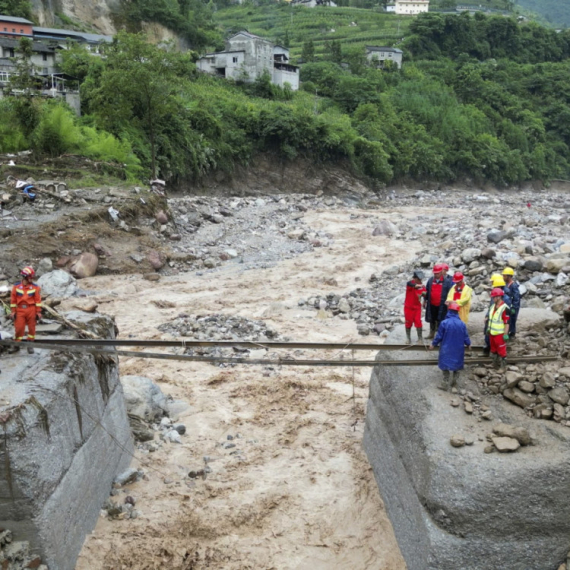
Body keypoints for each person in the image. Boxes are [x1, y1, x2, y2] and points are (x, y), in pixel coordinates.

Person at [429, 301, 471, 391]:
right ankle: (454, 385)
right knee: (457, 366)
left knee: (445, 365)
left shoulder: (444, 323)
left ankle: (445, 384)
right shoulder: (462, 324)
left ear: (449, 311)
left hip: (446, 348)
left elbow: (439, 336)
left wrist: (433, 344)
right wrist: (468, 344)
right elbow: (465, 336)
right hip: (458, 349)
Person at [9, 266, 42, 354]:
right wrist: (13, 311)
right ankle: (16, 345)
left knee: (32, 329)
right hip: (20, 310)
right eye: (30, 276)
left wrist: (38, 312)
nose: (32, 278)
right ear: (25, 277)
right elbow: (13, 300)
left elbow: (38, 300)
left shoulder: (35, 287)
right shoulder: (16, 287)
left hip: (31, 309)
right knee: (19, 328)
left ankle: (30, 344)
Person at [483, 274, 512, 356]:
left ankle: (500, 362)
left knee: (500, 348)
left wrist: (506, 333)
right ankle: (491, 355)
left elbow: (506, 318)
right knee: (492, 344)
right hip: (492, 326)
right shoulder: (495, 298)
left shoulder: (505, 299)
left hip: (499, 330)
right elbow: (491, 308)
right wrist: (487, 316)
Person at [487, 288, 510, 370]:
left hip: (500, 334)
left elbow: (506, 322)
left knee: (502, 351)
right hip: (492, 333)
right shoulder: (493, 306)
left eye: (494, 297)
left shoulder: (504, 308)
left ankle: (503, 367)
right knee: (493, 350)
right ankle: (494, 364)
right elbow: (491, 319)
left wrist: (505, 334)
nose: (493, 299)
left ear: (499, 297)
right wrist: (488, 328)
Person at [404, 270, 427, 345]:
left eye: (421, 279)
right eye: (419, 279)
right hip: (408, 307)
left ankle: (420, 338)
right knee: (408, 322)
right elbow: (409, 284)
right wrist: (417, 286)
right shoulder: (410, 284)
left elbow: (425, 294)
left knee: (418, 322)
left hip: (417, 307)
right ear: (415, 278)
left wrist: (424, 295)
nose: (420, 281)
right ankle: (408, 338)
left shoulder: (422, 286)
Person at [424, 264, 445, 340]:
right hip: (432, 304)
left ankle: (440, 335)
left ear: (441, 272)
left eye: (437, 273)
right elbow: (427, 291)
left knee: (441, 320)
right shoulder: (430, 280)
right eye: (435, 273)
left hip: (442, 305)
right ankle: (431, 334)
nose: (436, 275)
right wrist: (425, 300)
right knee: (432, 319)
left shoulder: (446, 281)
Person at [502, 267, 520, 340]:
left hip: (512, 306)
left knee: (512, 319)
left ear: (509, 276)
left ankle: (512, 333)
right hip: (507, 305)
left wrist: (514, 307)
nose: (503, 277)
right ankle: (507, 332)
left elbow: (516, 298)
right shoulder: (506, 284)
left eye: (504, 275)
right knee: (507, 320)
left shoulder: (514, 285)